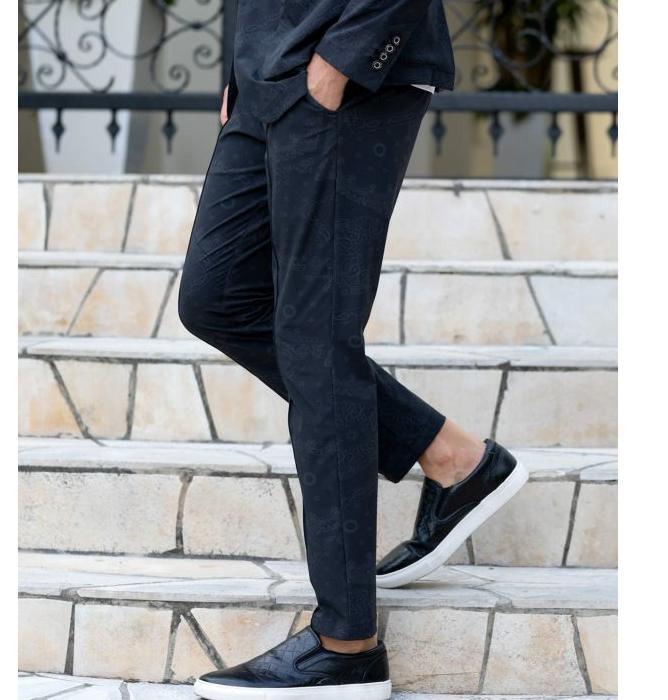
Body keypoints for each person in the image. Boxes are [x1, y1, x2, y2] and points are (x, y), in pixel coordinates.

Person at [178, 2, 528, 698]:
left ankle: (346, 644)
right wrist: (244, 64)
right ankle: (454, 459)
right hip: (267, 67)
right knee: (217, 298)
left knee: (316, 337)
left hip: (346, 67)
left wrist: (345, 59)